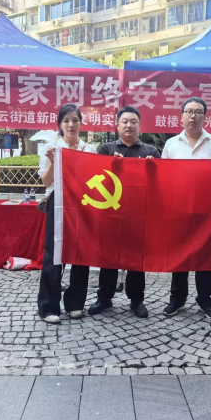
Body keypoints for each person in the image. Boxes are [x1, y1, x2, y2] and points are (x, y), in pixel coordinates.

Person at [88, 106, 160, 319]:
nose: (129, 125)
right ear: (117, 126)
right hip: (111, 213)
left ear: (140, 126)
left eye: (133, 122)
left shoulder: (151, 152)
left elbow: (160, 184)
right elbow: (95, 178)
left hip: (139, 214)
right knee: (108, 257)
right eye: (125, 121)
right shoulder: (106, 149)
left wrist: (153, 169)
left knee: (137, 259)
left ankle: (137, 300)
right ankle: (104, 297)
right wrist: (111, 165)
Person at [161, 97, 211, 320]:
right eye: (189, 111)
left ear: (204, 117)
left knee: (204, 257)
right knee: (179, 255)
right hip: (178, 208)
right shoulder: (171, 144)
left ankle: (205, 301)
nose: (193, 116)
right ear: (181, 116)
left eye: (198, 112)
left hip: (205, 210)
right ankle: (177, 300)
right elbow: (163, 176)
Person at [37, 104, 97, 324]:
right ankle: (48, 306)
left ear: (81, 123)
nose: (71, 125)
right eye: (66, 121)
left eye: (75, 120)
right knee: (53, 254)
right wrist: (54, 163)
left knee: (81, 253)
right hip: (58, 203)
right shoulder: (51, 147)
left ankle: (75, 303)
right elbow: (46, 182)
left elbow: (94, 178)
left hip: (83, 204)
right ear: (60, 124)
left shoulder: (89, 150)